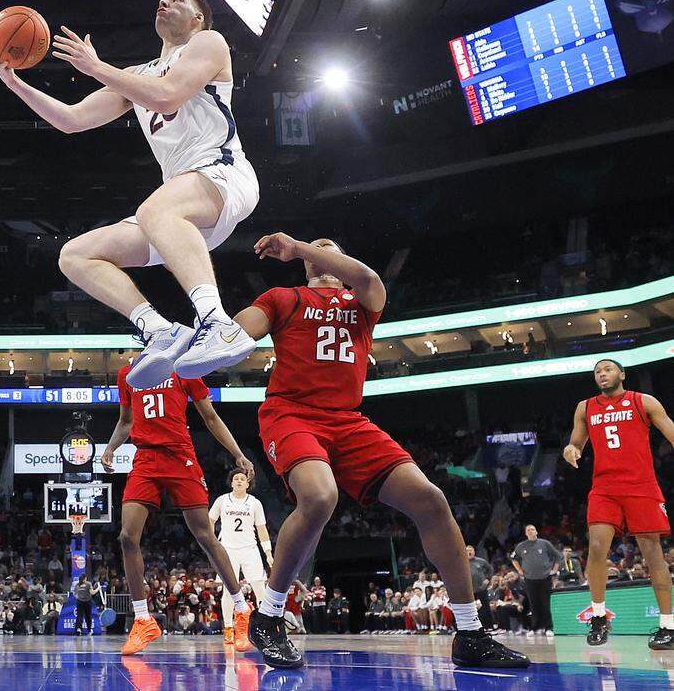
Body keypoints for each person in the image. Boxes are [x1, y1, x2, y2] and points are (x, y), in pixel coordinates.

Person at [233, 233, 528, 670]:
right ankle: (270, 616)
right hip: (291, 414)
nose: (322, 251)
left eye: (330, 247)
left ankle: (469, 631)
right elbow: (240, 332)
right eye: (316, 249)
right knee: (319, 496)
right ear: (305, 266)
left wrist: (299, 246)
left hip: (348, 420)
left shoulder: (362, 301)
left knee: (431, 500)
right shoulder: (283, 297)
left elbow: (368, 277)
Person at [0, 0, 259, 390]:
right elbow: (71, 120)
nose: (165, 2)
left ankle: (219, 324)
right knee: (75, 255)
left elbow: (168, 97)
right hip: (181, 211)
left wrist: (97, 67)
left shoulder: (208, 43)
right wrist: (13, 84)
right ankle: (161, 331)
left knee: (155, 210)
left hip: (223, 173)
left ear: (199, 18)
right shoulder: (136, 76)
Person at [101, 366, 258, 655]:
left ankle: (241, 608)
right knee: (126, 537)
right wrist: (111, 447)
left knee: (205, 536)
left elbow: (210, 417)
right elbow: (126, 421)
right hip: (146, 458)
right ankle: (142, 620)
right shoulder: (127, 374)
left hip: (180, 455)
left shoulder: (183, 370)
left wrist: (237, 454)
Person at [563, 359, 674, 649]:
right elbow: (576, 442)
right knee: (597, 548)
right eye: (597, 372)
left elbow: (670, 431)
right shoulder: (585, 407)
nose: (602, 374)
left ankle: (668, 625)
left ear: (622, 375)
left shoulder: (643, 401)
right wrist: (570, 450)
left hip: (641, 486)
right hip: (605, 488)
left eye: (608, 369)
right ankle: (599, 616)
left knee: (652, 554)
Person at [209, 467, 273, 645]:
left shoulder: (254, 503)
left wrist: (268, 553)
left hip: (250, 549)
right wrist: (212, 543)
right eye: (236, 478)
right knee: (229, 592)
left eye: (242, 479)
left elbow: (261, 529)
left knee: (260, 589)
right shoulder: (222, 501)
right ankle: (229, 628)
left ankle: (263, 627)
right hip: (227, 550)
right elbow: (209, 521)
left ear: (248, 483)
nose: (238, 481)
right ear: (231, 483)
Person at [510, 524, 561, 637]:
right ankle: (535, 628)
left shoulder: (544, 543)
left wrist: (554, 569)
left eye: (532, 529)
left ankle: (548, 628)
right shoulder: (521, 546)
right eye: (528, 530)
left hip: (545, 578)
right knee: (534, 604)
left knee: (545, 603)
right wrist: (519, 570)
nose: (530, 531)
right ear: (525, 533)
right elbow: (513, 558)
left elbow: (558, 556)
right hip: (530, 579)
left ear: (536, 531)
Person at [466, 545, 495, 630]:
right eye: (467, 551)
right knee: (471, 609)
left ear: (474, 551)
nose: (469, 552)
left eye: (471, 550)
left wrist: (488, 579)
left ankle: (489, 626)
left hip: (481, 588)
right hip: (469, 590)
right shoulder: (462, 563)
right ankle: (473, 627)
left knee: (485, 607)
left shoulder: (481, 561)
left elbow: (490, 569)